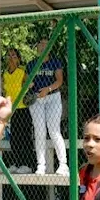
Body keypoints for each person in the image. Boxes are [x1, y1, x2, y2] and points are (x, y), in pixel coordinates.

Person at [28, 39, 69, 176]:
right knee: (39, 131)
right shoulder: (31, 63)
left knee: (54, 130)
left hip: (53, 97)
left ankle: (63, 165)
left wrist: (48, 89)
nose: (43, 46)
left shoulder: (55, 62)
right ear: (37, 47)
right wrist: (28, 84)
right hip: (36, 99)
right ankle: (41, 165)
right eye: (40, 44)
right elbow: (25, 80)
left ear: (50, 47)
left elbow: (59, 81)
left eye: (46, 44)